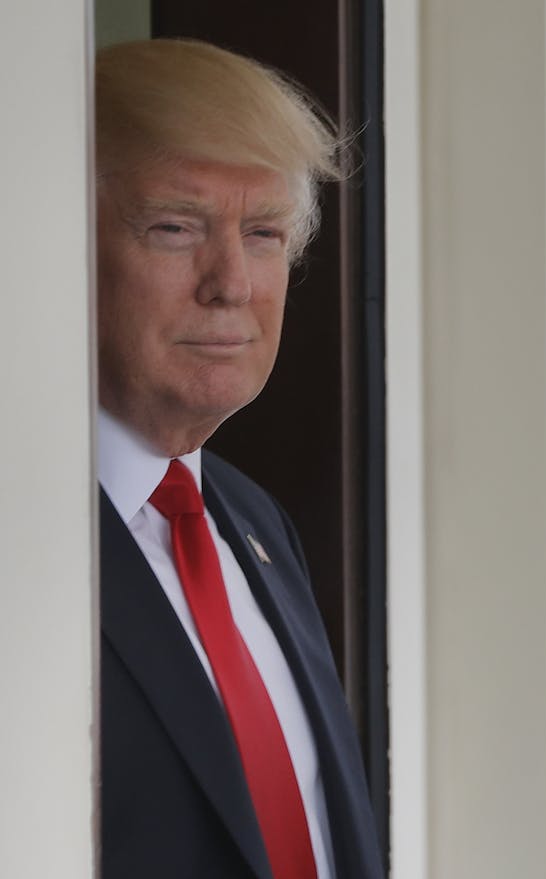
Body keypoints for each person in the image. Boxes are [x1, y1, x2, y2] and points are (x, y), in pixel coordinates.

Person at [95, 39, 383, 878]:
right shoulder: (24, 530)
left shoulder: (253, 522)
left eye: (263, 234)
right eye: (175, 227)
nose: (230, 283)